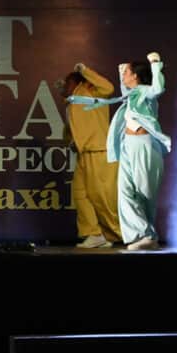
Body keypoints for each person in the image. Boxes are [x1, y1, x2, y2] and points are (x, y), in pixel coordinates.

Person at [69, 53, 170, 250]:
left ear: (136, 76)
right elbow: (124, 86)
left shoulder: (145, 92)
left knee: (144, 192)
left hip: (143, 144)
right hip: (127, 146)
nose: (123, 74)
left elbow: (158, 88)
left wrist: (155, 64)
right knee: (124, 193)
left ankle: (149, 236)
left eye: (127, 72)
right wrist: (123, 69)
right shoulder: (130, 95)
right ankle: (141, 234)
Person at [60, 64, 121, 249]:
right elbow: (73, 128)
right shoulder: (72, 102)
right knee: (80, 194)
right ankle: (94, 234)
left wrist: (84, 71)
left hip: (100, 152)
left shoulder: (91, 91)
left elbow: (108, 88)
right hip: (84, 155)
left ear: (76, 82)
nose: (63, 86)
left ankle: (120, 233)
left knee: (102, 197)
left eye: (66, 83)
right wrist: (72, 142)